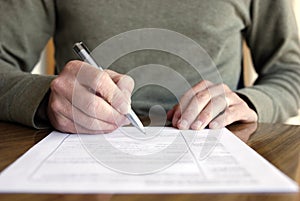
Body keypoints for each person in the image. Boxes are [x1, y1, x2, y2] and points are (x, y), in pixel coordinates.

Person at [0, 0, 299, 134]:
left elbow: (291, 69)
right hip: (83, 151)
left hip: (213, 144)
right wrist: (44, 98)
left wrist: (248, 103)